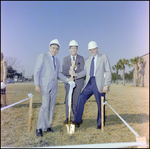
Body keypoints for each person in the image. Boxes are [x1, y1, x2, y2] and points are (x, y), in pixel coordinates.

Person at [34, 39, 73, 137]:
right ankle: (39, 127)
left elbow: (58, 73)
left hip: (54, 87)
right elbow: (37, 71)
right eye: (53, 48)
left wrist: (67, 80)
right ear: (49, 47)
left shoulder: (57, 60)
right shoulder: (43, 56)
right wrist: (36, 84)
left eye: (56, 49)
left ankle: (48, 126)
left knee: (51, 107)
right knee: (45, 106)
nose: (54, 50)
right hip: (44, 86)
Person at [70, 41, 112, 129]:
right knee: (81, 97)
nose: (92, 51)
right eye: (90, 50)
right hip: (89, 83)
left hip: (99, 84)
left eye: (93, 49)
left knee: (100, 104)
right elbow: (85, 72)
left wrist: (106, 85)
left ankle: (100, 123)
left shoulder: (103, 57)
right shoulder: (87, 60)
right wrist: (75, 75)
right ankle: (77, 120)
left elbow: (108, 72)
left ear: (97, 49)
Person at [62, 40, 85, 124]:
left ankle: (76, 119)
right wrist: (69, 72)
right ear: (69, 49)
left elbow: (82, 69)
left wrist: (75, 69)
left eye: (75, 48)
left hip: (78, 83)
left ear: (77, 49)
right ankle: (68, 117)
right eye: (72, 48)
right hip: (69, 83)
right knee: (68, 100)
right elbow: (64, 71)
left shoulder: (81, 58)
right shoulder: (65, 59)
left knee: (76, 101)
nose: (73, 50)